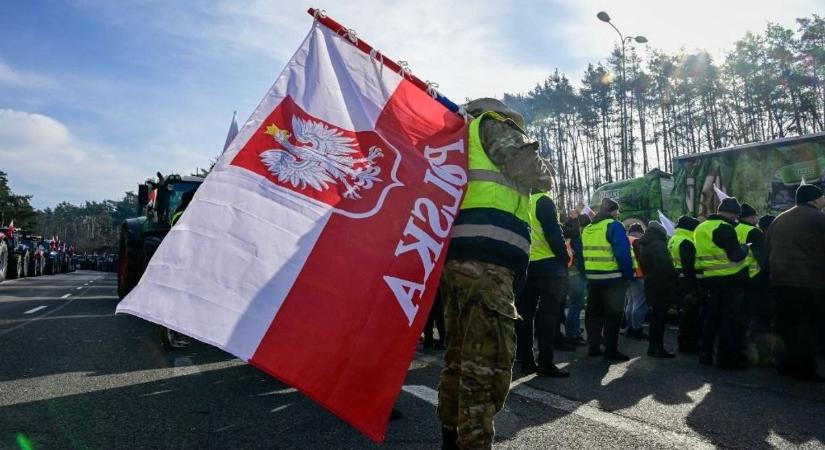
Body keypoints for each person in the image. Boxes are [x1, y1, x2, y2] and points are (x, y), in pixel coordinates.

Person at [438, 98, 552, 450]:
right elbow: (538, 176)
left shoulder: (458, 140)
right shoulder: (494, 124)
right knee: (487, 363)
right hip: (488, 261)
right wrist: (534, 155)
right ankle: (473, 443)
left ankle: (451, 437)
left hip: (460, 259)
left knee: (460, 355)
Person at [766, 184, 825, 381]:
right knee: (807, 327)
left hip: (780, 281)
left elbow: (768, 249)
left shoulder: (779, 219)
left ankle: (784, 365)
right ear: (815, 199)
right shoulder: (818, 218)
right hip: (808, 282)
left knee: (785, 325)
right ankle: (805, 369)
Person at [516, 190, 571, 377]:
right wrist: (564, 258)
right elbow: (554, 233)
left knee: (525, 314)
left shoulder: (522, 199)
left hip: (526, 263)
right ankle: (545, 362)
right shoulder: (544, 201)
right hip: (549, 264)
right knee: (548, 316)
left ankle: (526, 361)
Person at [694, 197, 749, 369]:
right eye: (736, 216)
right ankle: (726, 359)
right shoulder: (724, 228)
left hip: (710, 278)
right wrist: (746, 247)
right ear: (732, 213)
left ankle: (705, 354)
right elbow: (736, 255)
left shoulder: (700, 227)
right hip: (730, 278)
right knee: (728, 320)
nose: (736, 219)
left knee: (712, 318)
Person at [582, 198, 635, 362]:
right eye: (617, 212)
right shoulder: (614, 225)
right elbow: (622, 253)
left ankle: (594, 347)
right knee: (613, 315)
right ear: (612, 211)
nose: (618, 215)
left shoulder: (588, 228)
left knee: (594, 313)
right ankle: (611, 351)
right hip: (613, 279)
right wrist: (628, 275)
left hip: (593, 278)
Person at [637, 220, 680, 358]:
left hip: (650, 281)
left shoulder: (644, 244)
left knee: (656, 318)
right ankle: (658, 348)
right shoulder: (658, 244)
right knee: (660, 318)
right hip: (661, 283)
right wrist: (675, 275)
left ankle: (653, 347)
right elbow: (666, 265)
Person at [735, 204, 770, 358]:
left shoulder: (733, 229)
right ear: (750, 217)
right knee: (758, 315)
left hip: (734, 276)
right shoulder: (754, 232)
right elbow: (762, 258)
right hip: (754, 278)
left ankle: (740, 348)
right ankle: (758, 352)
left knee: (739, 316)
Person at [668, 215, 702, 353]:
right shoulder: (687, 241)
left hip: (677, 280)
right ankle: (689, 345)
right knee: (691, 315)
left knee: (683, 314)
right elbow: (689, 266)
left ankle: (683, 342)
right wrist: (695, 287)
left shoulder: (674, 239)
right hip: (687, 282)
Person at [562, 210, 590, 346]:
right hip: (577, 274)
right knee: (576, 306)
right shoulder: (576, 236)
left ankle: (573, 330)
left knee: (574, 305)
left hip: (567, 273)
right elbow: (580, 256)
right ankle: (572, 334)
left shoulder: (565, 233)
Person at [624, 223, 648, 339]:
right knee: (639, 303)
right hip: (638, 275)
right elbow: (642, 259)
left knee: (630, 302)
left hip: (627, 276)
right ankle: (637, 329)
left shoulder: (625, 239)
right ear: (639, 232)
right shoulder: (636, 241)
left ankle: (629, 327)